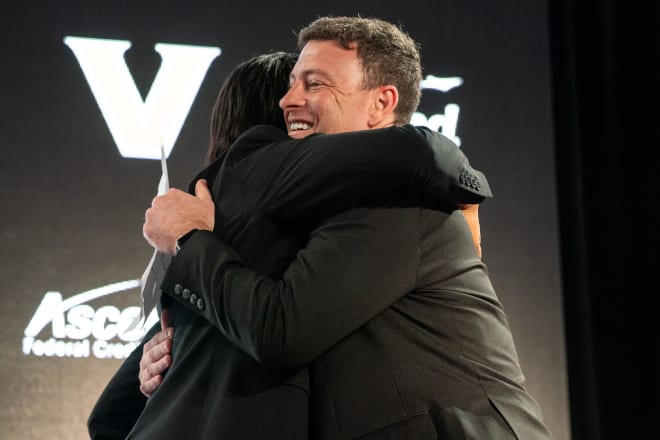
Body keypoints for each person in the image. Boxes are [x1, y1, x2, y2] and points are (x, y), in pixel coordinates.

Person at [141, 16, 551, 440]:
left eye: (314, 84)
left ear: (381, 103)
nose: (287, 100)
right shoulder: (321, 201)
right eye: (292, 83)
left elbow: (280, 331)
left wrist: (191, 240)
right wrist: (166, 351)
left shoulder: (396, 198)